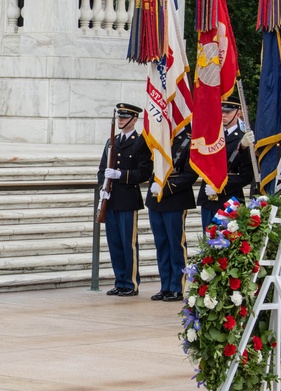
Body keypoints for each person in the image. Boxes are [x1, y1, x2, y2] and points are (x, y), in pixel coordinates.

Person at [97, 103, 152, 297]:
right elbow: (102, 169)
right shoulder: (111, 142)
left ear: (134, 120)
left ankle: (131, 283)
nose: (120, 120)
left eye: (124, 117)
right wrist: (102, 188)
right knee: (115, 243)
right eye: (119, 117)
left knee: (129, 243)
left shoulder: (140, 142)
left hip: (128, 199)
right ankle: (119, 281)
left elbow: (145, 172)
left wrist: (121, 175)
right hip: (111, 200)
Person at [145, 126, 196, 302]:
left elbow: (190, 174)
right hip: (156, 199)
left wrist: (165, 188)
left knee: (176, 244)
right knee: (162, 245)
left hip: (175, 199)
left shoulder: (189, 141)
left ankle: (177, 287)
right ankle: (165, 286)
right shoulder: (161, 138)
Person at [197, 92, 255, 229]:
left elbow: (247, 175)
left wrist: (219, 187)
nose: (223, 115)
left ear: (238, 113)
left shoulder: (244, 138)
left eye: (228, 112)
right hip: (208, 197)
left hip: (230, 199)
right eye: (221, 111)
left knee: (226, 243)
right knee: (208, 242)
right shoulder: (212, 136)